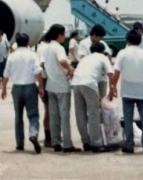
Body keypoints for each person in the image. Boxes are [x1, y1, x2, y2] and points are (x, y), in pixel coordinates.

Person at [109, 30, 143, 154]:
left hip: (127, 90)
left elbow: (117, 72)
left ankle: (129, 145)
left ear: (127, 40)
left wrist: (112, 86)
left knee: (128, 118)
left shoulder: (122, 53)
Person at [2, 33, 44, 153]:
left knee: (18, 116)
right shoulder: (32, 55)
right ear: (27, 42)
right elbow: (37, 71)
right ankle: (33, 134)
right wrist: (41, 87)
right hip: (30, 86)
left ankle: (20, 143)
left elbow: (6, 73)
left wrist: (4, 88)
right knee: (33, 114)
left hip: (16, 88)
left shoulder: (12, 56)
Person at [42, 24, 79, 153]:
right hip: (62, 86)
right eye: (64, 34)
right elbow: (62, 61)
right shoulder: (58, 48)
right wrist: (69, 69)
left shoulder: (46, 48)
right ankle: (67, 144)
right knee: (64, 116)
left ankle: (55, 141)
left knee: (53, 115)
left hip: (50, 85)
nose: (65, 37)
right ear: (59, 35)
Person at [73, 41, 115, 152]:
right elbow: (111, 74)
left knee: (80, 114)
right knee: (93, 113)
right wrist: (113, 89)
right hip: (89, 83)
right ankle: (96, 143)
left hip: (76, 83)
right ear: (102, 51)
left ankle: (85, 142)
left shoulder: (85, 58)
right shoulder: (102, 57)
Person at [36, 35, 52, 147]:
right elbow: (42, 64)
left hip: (42, 80)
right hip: (47, 79)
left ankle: (49, 136)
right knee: (50, 110)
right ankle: (49, 137)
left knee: (48, 110)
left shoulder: (39, 47)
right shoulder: (46, 48)